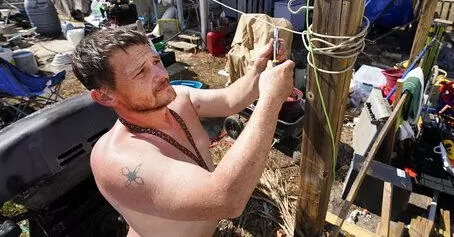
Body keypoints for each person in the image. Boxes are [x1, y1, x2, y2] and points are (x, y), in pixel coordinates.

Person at [71, 29, 294, 237]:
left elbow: (229, 100)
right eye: (141, 72)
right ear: (105, 97)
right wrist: (271, 99)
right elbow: (227, 199)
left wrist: (258, 69)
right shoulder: (115, 160)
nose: (161, 74)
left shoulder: (177, 98)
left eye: (156, 61)